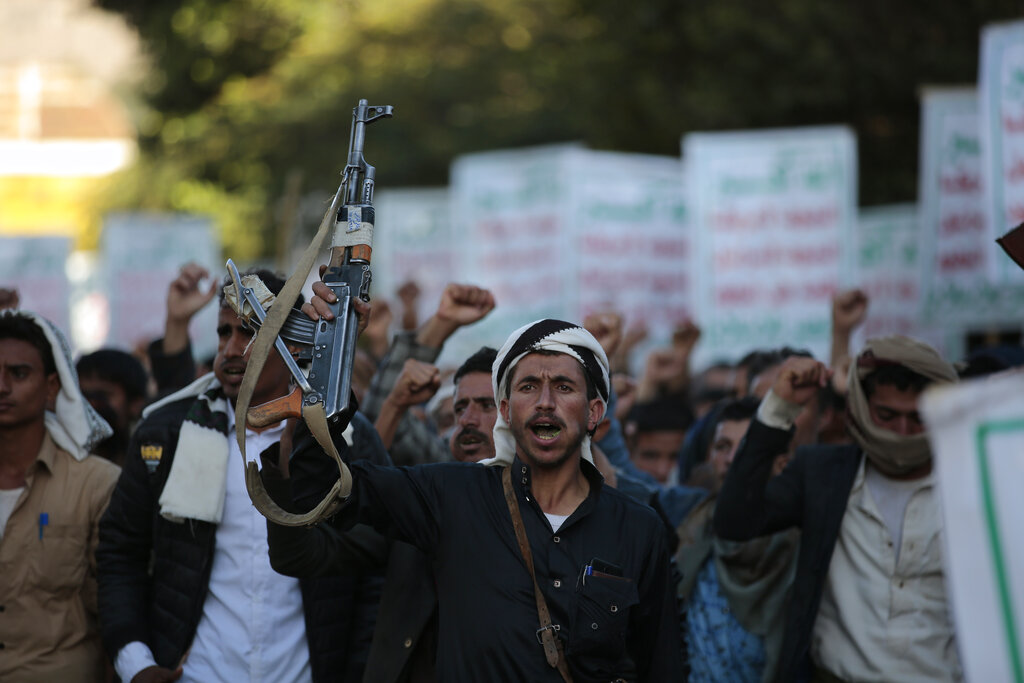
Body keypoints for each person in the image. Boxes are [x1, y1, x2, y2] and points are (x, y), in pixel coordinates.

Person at [288, 305, 681, 680]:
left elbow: (661, 668)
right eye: (529, 386)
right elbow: (321, 489)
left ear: (594, 412)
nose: (545, 403)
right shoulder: (451, 496)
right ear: (506, 410)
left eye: (563, 387)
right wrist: (329, 345)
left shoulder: (638, 529)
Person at [97, 269, 388, 683]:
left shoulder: (346, 440)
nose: (230, 350)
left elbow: (377, 572)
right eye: (222, 333)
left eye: (249, 332)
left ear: (294, 343)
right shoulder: (167, 433)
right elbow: (119, 554)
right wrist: (136, 664)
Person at [714, 336, 962, 682]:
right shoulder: (822, 474)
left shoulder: (969, 482)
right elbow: (734, 521)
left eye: (917, 418)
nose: (902, 432)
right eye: (887, 415)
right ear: (861, 408)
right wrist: (778, 410)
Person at [0, 310, 120, 682]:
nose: (2, 386)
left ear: (52, 387)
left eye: (18, 373)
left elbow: (116, 607)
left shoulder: (97, 484)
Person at [676, 396, 797, 683]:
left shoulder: (801, 544)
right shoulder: (690, 522)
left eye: (746, 448)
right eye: (722, 447)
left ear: (780, 463)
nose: (731, 459)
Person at [77, 348, 151, 465]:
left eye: (102, 395)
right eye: (84, 396)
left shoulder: (148, 464)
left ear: (135, 403)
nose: (92, 404)